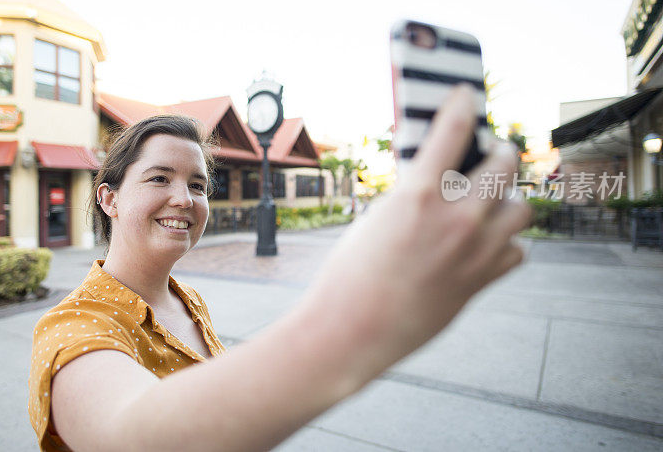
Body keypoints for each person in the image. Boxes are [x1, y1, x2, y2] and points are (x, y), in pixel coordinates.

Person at [28, 85, 531, 451]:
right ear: (109, 198)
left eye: (199, 185)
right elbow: (129, 435)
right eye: (160, 178)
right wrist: (356, 323)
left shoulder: (187, 301)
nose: (183, 199)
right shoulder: (73, 325)